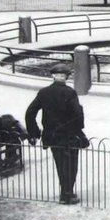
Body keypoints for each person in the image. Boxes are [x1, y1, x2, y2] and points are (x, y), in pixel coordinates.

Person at [25, 67, 87, 205]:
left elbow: (30, 113)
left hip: (51, 135)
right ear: (66, 77)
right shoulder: (70, 92)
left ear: (52, 76)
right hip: (69, 135)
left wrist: (34, 132)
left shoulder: (43, 92)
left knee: (60, 164)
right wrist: (78, 128)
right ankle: (67, 193)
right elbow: (77, 114)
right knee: (71, 164)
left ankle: (65, 193)